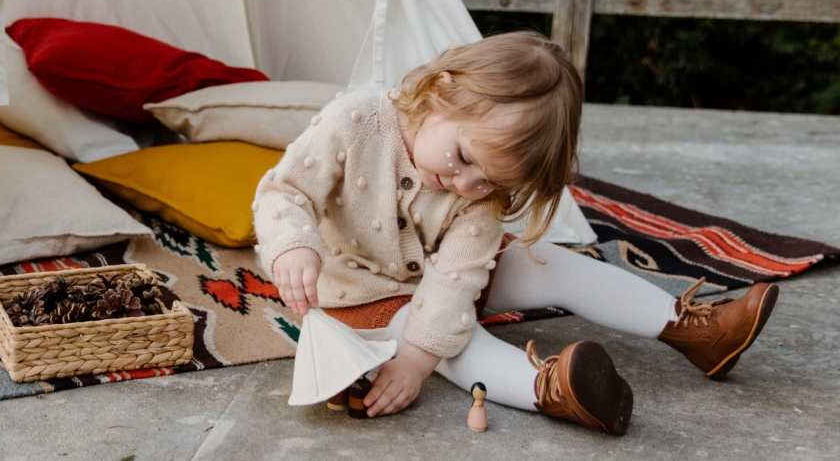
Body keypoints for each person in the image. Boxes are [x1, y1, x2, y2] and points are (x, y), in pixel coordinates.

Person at [252, 32, 778, 435]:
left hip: (447, 277)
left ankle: (694, 330)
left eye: (490, 182)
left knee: (553, 263)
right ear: (442, 90)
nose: (464, 183)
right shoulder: (355, 120)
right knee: (453, 343)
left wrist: (417, 359)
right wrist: (293, 246)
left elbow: (456, 284)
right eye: (461, 158)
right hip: (369, 294)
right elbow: (283, 192)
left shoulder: (480, 198)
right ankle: (550, 388)